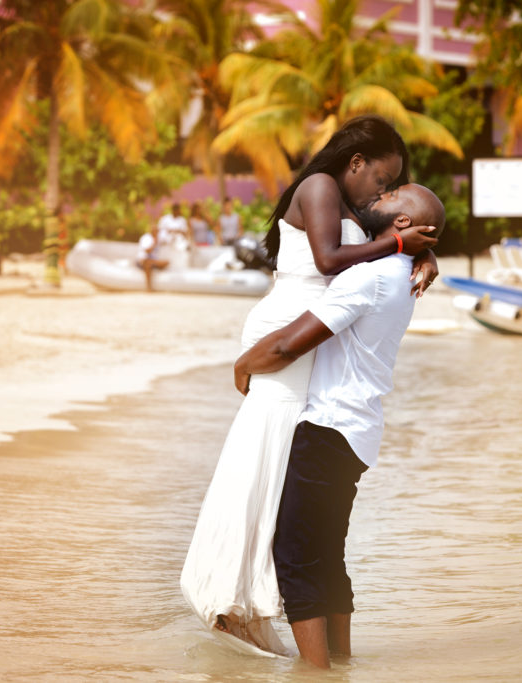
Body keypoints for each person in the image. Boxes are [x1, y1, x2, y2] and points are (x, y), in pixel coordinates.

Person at [180, 115, 439, 657]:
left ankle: (290, 632)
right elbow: (327, 260)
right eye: (381, 178)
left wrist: (418, 249)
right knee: (268, 466)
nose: (382, 190)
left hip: (310, 334)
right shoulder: (320, 186)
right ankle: (237, 592)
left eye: (392, 188)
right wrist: (398, 243)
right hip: (289, 330)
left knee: (285, 480)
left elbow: (383, 236)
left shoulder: (362, 217)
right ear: (355, 162)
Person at [234, 183, 446, 668]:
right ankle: (340, 665)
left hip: (328, 428)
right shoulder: (397, 273)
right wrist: (430, 254)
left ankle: (316, 672)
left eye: (394, 193)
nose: (380, 194)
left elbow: (290, 344)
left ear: (405, 226)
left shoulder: (368, 279)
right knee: (326, 554)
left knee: (295, 555)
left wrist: (244, 363)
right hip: (357, 432)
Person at [136, 223, 169, 292]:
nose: (156, 232)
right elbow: (147, 251)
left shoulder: (159, 239)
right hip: (143, 260)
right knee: (148, 263)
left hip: (153, 261)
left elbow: (167, 239)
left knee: (166, 262)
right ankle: (149, 287)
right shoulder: (146, 238)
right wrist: (154, 243)